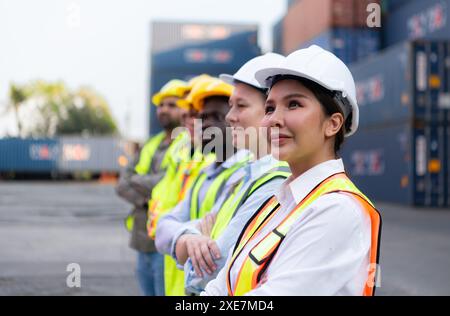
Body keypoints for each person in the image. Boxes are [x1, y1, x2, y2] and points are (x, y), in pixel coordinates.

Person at [203, 45, 382, 296]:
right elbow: (220, 285)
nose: (274, 119)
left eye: (294, 104)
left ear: (333, 124)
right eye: (270, 108)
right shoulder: (279, 202)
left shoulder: (337, 210)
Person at [173, 53, 291, 295]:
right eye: (231, 106)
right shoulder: (244, 176)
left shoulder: (275, 183)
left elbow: (210, 270)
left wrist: (193, 242)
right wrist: (192, 238)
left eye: (241, 106)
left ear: (270, 110)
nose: (229, 116)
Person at [155, 77, 252, 295]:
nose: (205, 124)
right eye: (202, 117)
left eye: (216, 117)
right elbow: (162, 227)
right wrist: (191, 236)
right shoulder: (204, 173)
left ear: (235, 121)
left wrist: (180, 235)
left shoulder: (246, 174)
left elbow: (220, 248)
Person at [115, 79, 189, 296]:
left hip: (167, 243)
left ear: (186, 109)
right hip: (141, 240)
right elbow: (122, 183)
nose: (164, 109)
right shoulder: (151, 143)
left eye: (172, 105)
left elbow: (167, 182)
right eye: (161, 105)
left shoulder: (189, 144)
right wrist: (148, 198)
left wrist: (138, 180)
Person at [145, 75, 216, 296]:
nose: (188, 121)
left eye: (195, 115)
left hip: (196, 260)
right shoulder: (179, 150)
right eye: (185, 115)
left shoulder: (218, 160)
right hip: (171, 248)